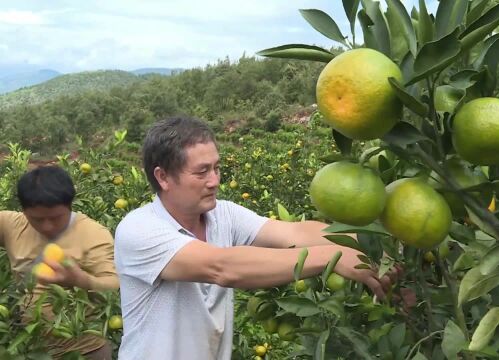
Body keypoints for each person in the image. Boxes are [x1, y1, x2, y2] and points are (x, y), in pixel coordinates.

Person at [114, 116, 399, 360]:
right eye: (201, 172)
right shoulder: (138, 229)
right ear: (163, 177)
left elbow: (296, 233)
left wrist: (376, 247)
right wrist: (332, 257)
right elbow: (222, 267)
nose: (215, 181)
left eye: (216, 168)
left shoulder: (223, 215)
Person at [0, 165, 119, 359]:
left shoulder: (94, 234)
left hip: (85, 350)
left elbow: (114, 286)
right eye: (37, 219)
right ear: (23, 211)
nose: (47, 226)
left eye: (56, 218)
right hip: (32, 349)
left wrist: (81, 281)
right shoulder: (11, 224)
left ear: (70, 205)